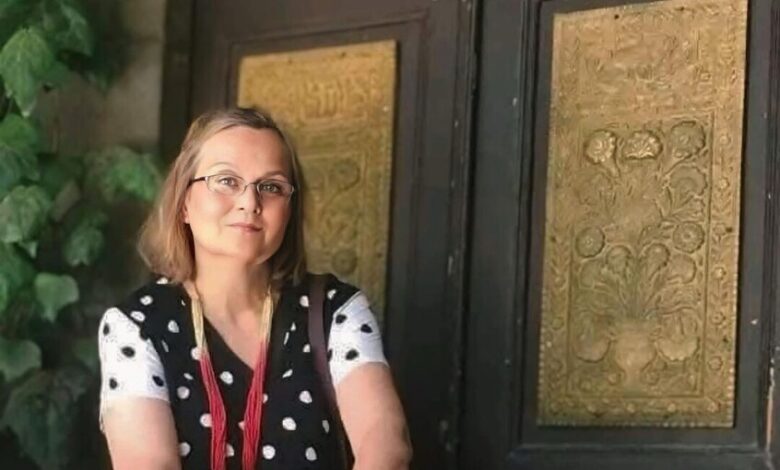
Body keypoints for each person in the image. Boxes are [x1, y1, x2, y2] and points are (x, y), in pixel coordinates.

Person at [97, 107, 412, 470]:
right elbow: (148, 463)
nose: (250, 202)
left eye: (271, 187)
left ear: (289, 212)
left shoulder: (333, 311)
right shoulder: (137, 325)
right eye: (226, 181)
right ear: (184, 202)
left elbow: (385, 444)